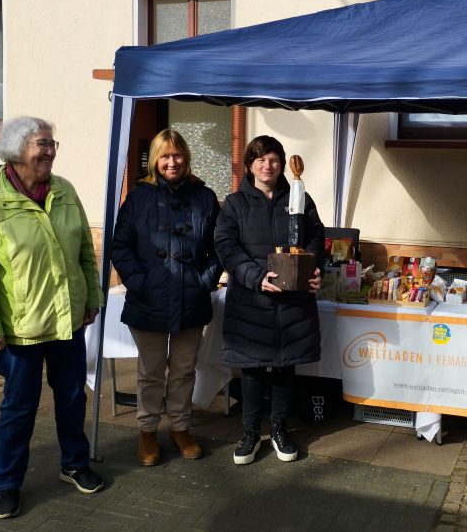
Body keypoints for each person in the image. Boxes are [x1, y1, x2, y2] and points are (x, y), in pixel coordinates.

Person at [0, 116, 105, 519]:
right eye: (42, 143)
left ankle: (74, 463)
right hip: (20, 329)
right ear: (16, 148)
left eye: (53, 144)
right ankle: (6, 483)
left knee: (73, 397)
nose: (50, 151)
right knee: (19, 408)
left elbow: (83, 255)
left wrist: (91, 298)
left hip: (68, 322)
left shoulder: (65, 191)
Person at [111, 129, 221, 466]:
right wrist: (139, 281)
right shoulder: (138, 198)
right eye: (165, 155)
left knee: (185, 371)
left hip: (191, 297)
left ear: (187, 158)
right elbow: (121, 246)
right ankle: (147, 432)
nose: (171, 162)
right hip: (149, 299)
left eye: (177, 155)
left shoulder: (205, 198)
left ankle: (180, 427)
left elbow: (220, 248)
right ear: (155, 160)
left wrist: (204, 280)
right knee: (150, 372)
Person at [215, 135, 324, 465]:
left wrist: (313, 268)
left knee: (283, 366)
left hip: (292, 300)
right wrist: (255, 276)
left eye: (274, 159)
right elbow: (226, 246)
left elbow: (317, 237)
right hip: (251, 301)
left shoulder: (300, 199)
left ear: (282, 165)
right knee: (252, 368)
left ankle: (279, 428)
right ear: (249, 165)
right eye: (260, 159)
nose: (268, 165)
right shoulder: (235, 203)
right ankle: (249, 432)